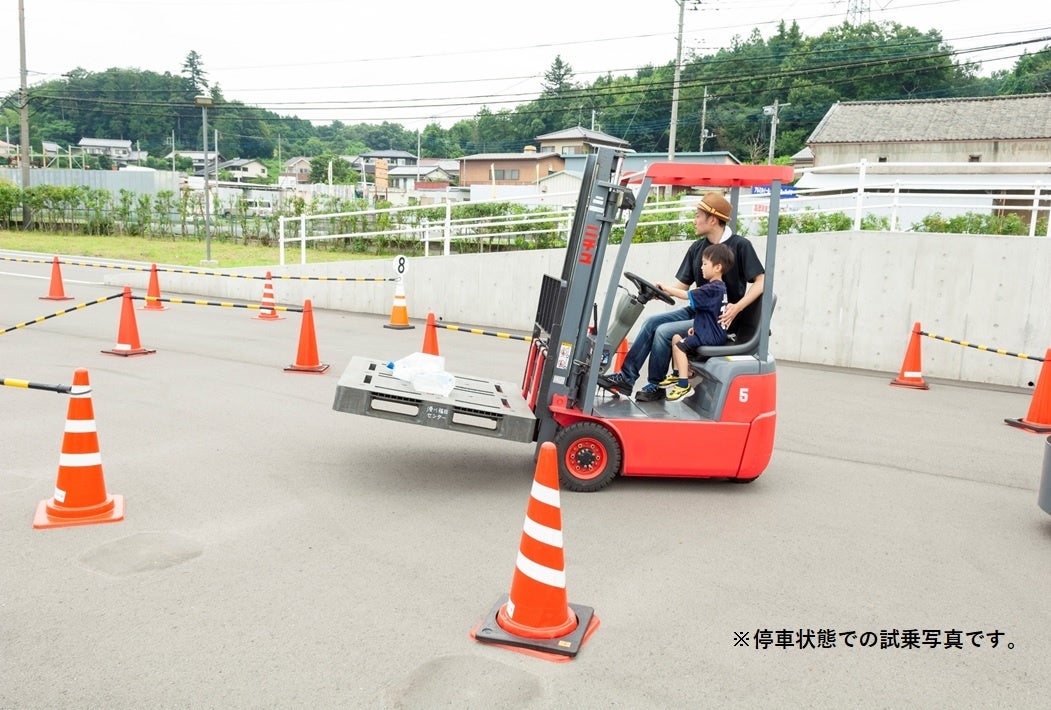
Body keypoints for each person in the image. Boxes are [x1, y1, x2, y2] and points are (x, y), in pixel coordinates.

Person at [598, 191, 765, 402]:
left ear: (712, 219)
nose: (694, 221)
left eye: (697, 216)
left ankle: (655, 385)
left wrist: (737, 307)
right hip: (697, 312)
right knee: (651, 322)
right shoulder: (697, 248)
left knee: (664, 331)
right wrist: (660, 291)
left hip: (719, 320)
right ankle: (626, 377)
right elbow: (683, 285)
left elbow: (761, 281)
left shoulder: (740, 246)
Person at [658, 243, 733, 401]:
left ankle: (684, 385)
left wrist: (666, 288)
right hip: (708, 331)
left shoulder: (712, 289)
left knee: (679, 347)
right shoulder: (717, 288)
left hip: (710, 336)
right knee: (676, 338)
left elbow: (686, 295)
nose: (701, 267)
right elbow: (707, 314)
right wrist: (696, 328)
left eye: (705, 264)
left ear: (718, 267)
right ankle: (677, 374)